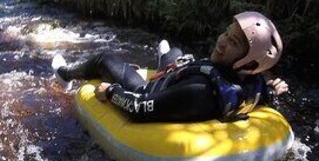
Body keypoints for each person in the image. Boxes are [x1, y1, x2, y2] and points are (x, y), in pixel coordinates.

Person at [51, 11, 289, 123]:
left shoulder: (199, 90)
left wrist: (111, 92)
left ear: (249, 62)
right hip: (178, 79)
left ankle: (65, 74)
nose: (221, 41)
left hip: (149, 91)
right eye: (226, 33)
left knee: (103, 59)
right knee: (176, 54)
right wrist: (274, 90)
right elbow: (266, 96)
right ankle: (165, 57)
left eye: (233, 42)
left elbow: (139, 108)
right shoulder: (255, 84)